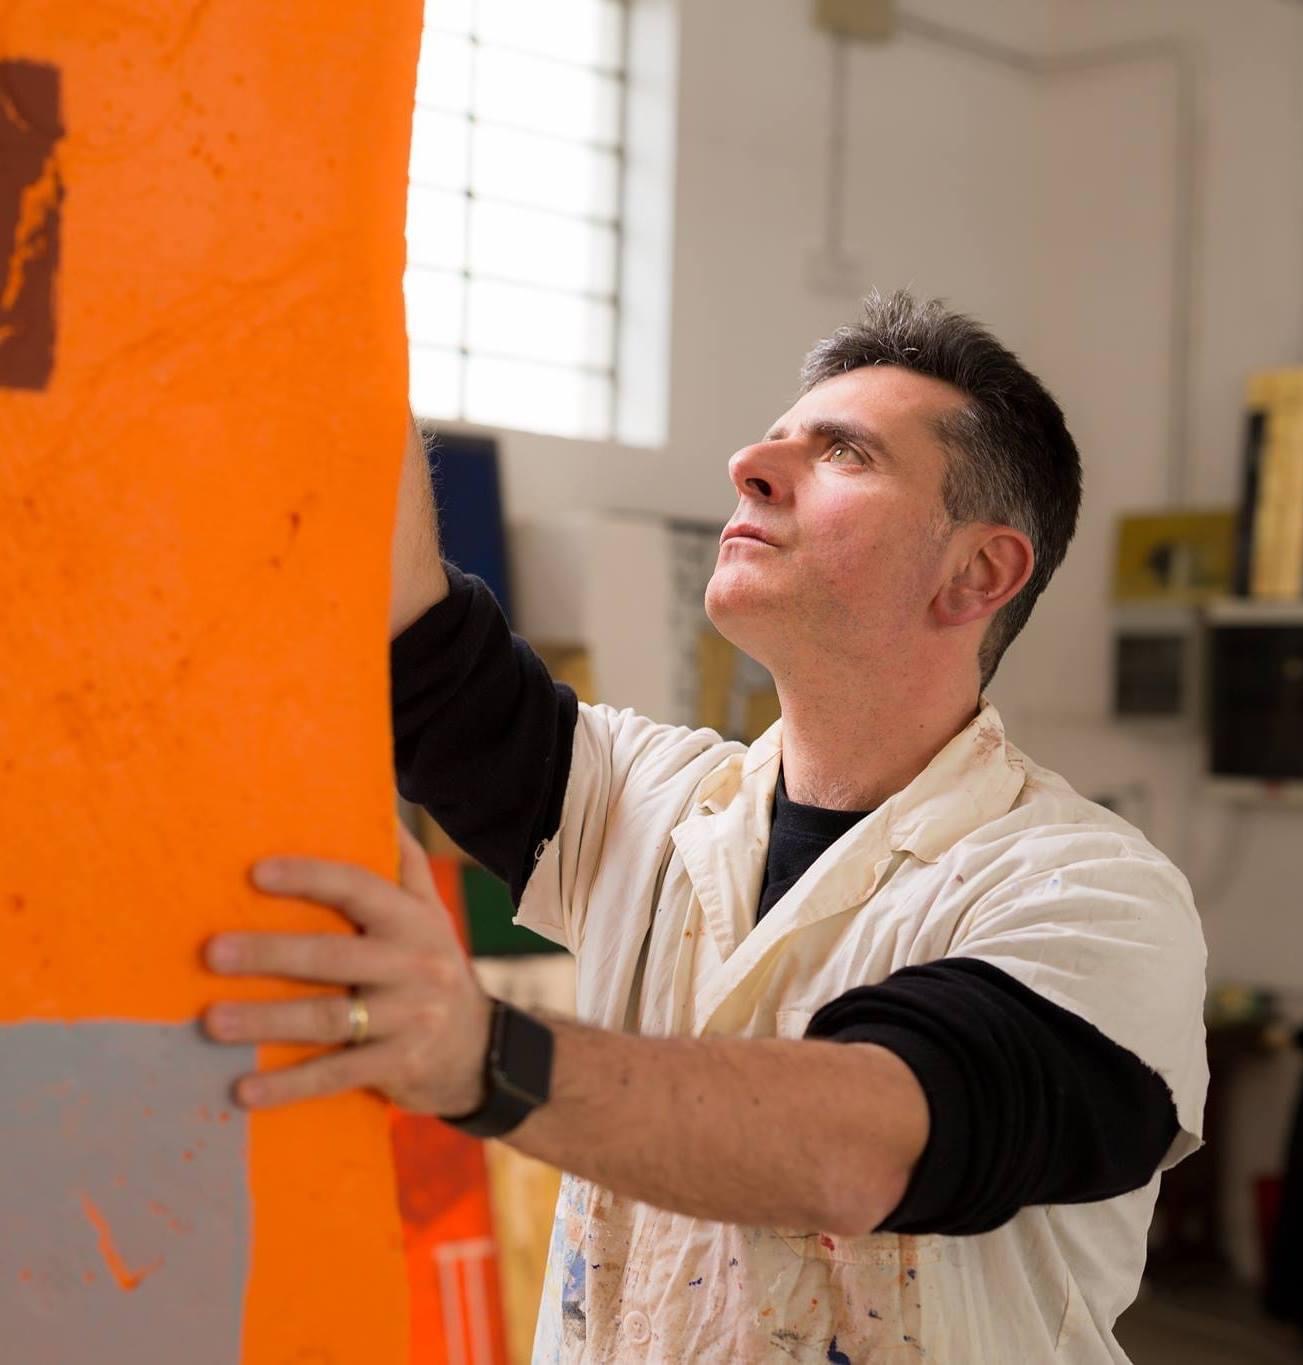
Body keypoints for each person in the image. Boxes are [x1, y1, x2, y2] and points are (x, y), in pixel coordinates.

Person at [204, 292, 1208, 1362]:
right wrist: (336, 287)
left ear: (978, 572)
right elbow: (410, 630)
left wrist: (481, 1054)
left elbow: (863, 1148)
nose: (750, 464)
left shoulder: (1090, 894)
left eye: (845, 453)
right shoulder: (651, 801)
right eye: (776, 436)